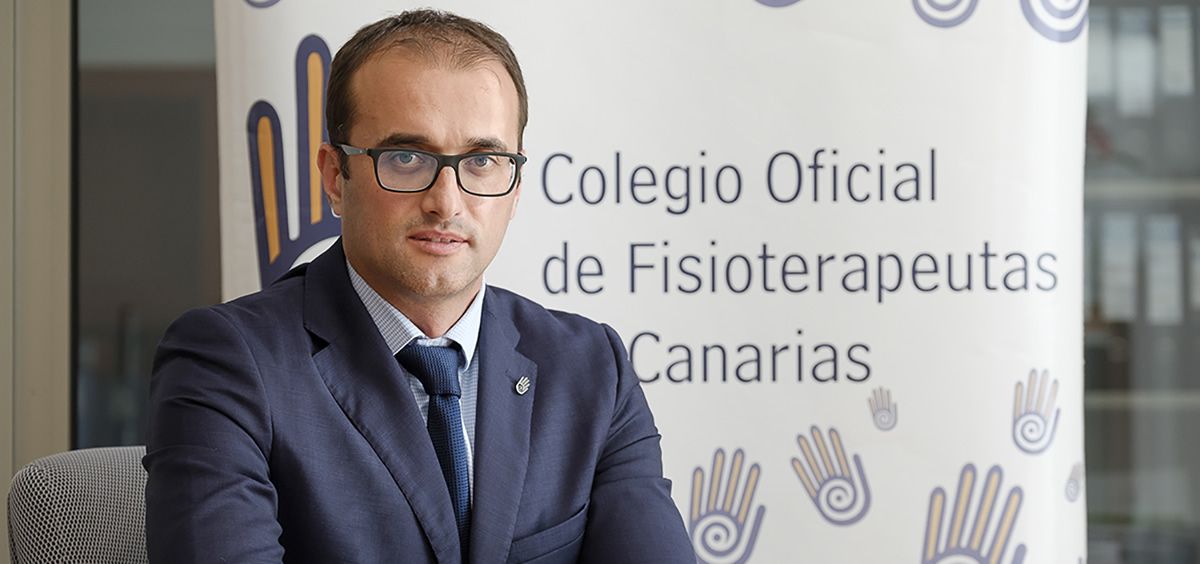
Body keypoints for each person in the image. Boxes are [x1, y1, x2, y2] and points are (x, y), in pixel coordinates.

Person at [143, 9, 694, 564]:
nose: (446, 202)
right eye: (406, 158)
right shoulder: (227, 362)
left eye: (482, 160)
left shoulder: (591, 368)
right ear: (335, 177)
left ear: (515, 186)